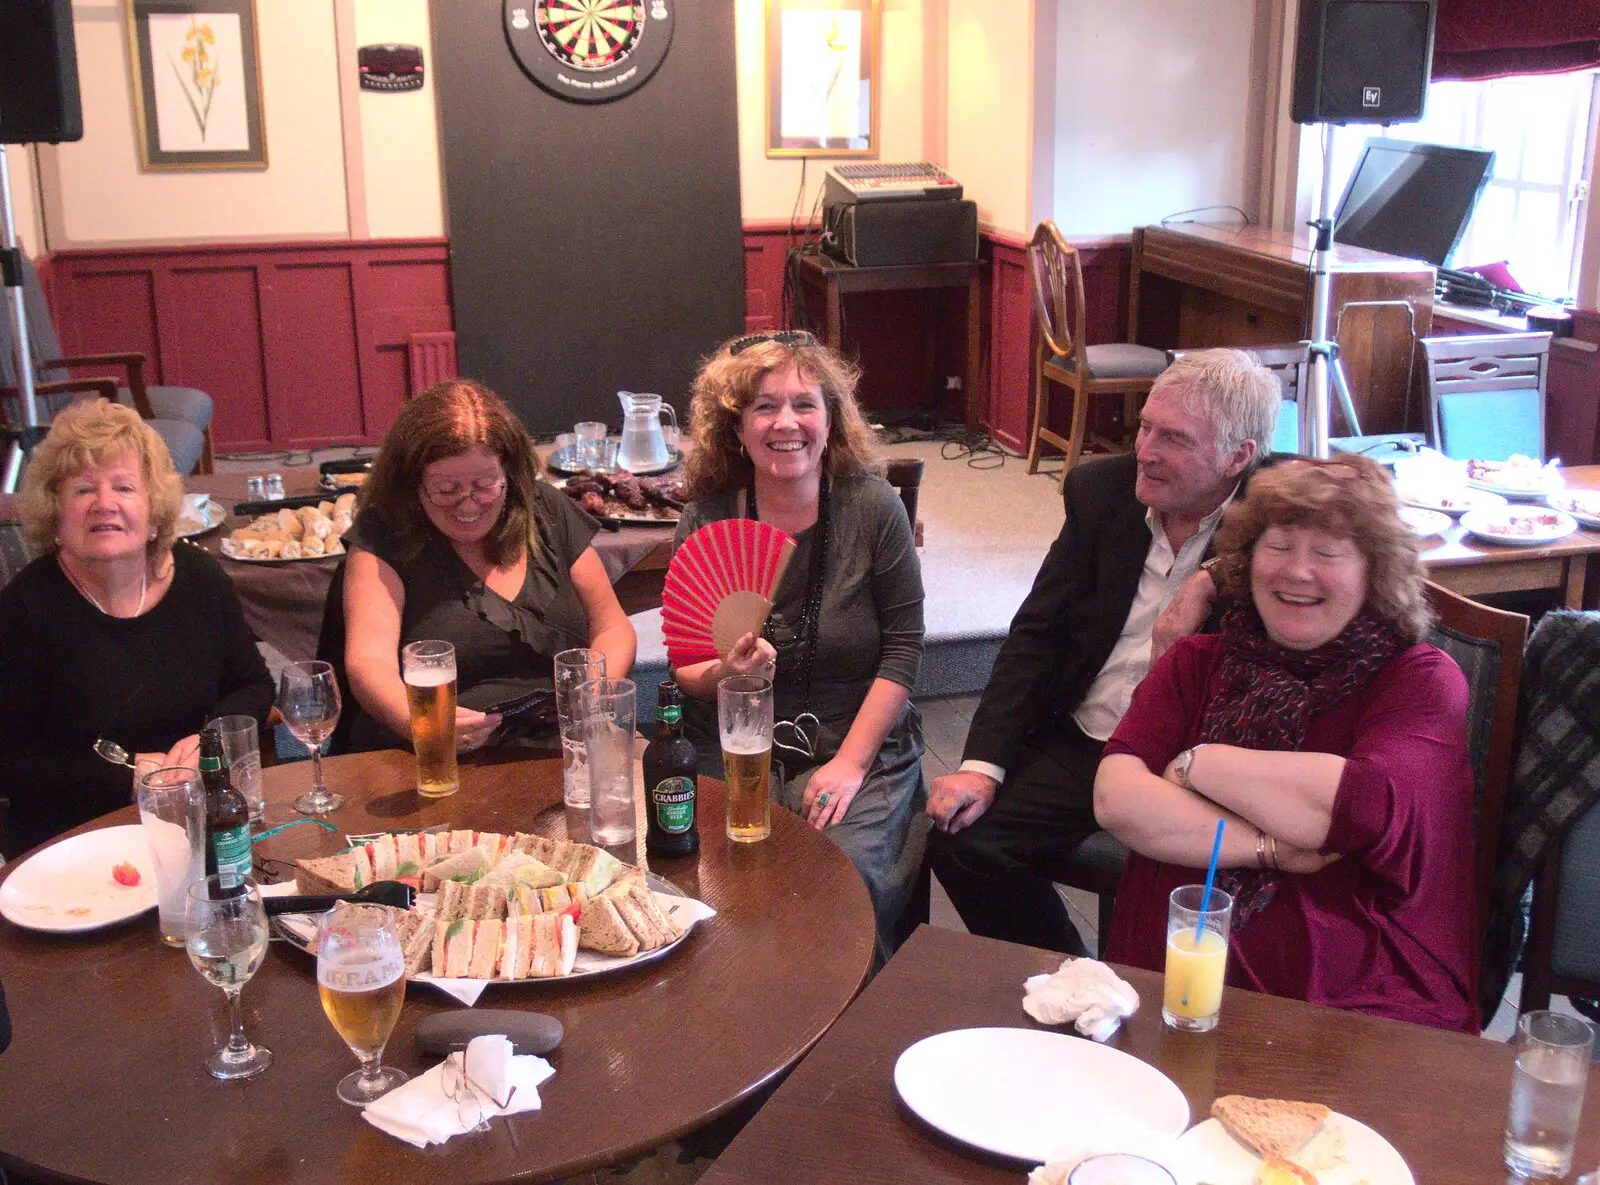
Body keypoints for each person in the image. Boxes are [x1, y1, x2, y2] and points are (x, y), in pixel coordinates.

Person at [1093, 454, 1477, 1031]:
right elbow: (1116, 800)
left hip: (1353, 1013)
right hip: (1165, 991)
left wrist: (1197, 764)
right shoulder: (1199, 661)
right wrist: (1272, 849)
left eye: (1327, 552)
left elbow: (1356, 809)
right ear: (1246, 561)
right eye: (1278, 547)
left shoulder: (1419, 680)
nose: (1297, 572)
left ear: (1375, 573)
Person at [926, 349, 1281, 954]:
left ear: (1239, 457)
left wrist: (1211, 576)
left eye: (1173, 438)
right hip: (1092, 736)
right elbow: (1036, 636)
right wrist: (981, 766)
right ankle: (1075, 976)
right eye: (1145, 425)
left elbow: (1357, 517)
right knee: (965, 845)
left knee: (1186, 887)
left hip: (1197, 761)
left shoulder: (1280, 510)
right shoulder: (1102, 491)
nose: (1145, 449)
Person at [672, 330, 926, 961]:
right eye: (764, 406)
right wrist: (725, 674)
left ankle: (846, 1043)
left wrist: (851, 765)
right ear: (736, 427)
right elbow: (686, 669)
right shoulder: (707, 517)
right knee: (704, 891)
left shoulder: (874, 508)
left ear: (832, 419)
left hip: (852, 734)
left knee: (838, 885)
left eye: (804, 404)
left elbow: (903, 646)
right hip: (731, 741)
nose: (786, 422)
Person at [0, 399, 273, 858]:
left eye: (124, 488)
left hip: (196, 821)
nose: (104, 504)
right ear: (56, 513)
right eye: (83, 490)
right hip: (75, 840)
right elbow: (8, 760)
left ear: (153, 512)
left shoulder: (199, 579)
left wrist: (210, 741)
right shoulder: (26, 610)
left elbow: (253, 685)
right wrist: (125, 780)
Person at [342, 380, 635, 752]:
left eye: (484, 485)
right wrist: (423, 723)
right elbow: (368, 661)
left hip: (564, 743)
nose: (468, 506)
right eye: (446, 490)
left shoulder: (544, 509)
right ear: (411, 484)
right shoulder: (384, 532)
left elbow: (612, 626)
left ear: (509, 476)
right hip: (438, 755)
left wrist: (598, 692)